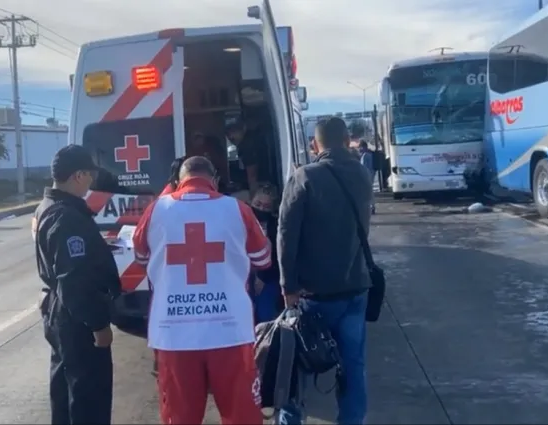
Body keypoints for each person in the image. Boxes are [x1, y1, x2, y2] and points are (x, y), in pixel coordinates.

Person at [133, 156, 270, 425]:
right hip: (229, 329)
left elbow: (141, 258)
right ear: (214, 180)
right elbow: (263, 259)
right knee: (241, 416)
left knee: (180, 418)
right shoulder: (238, 209)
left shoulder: (156, 210)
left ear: (178, 181)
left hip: (174, 332)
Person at [276, 117, 373, 425]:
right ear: (347, 141)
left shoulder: (305, 177)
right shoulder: (362, 172)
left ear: (314, 145)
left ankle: (291, 421)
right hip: (355, 288)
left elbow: (286, 234)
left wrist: (287, 285)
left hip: (313, 293)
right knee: (353, 365)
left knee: (296, 364)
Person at [33, 145, 122, 425]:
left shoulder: (49, 206)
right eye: (91, 175)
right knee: (88, 399)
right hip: (77, 322)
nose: (92, 182)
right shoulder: (67, 217)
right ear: (79, 175)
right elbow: (75, 279)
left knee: (65, 393)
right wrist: (98, 326)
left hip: (60, 313)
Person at [249, 183, 282, 323]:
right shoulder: (242, 220)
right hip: (245, 276)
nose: (261, 209)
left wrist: (262, 277)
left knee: (265, 317)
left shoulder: (277, 227)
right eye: (258, 204)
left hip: (269, 278)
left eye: (266, 207)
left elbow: (277, 255)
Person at [226, 116, 269, 196]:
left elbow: (252, 175)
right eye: (228, 134)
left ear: (243, 129)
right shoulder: (252, 140)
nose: (231, 137)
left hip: (262, 184)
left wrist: (253, 196)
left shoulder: (247, 145)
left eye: (234, 132)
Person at [358, 141, 376, 215]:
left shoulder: (365, 155)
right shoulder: (370, 154)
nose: (359, 149)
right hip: (371, 175)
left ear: (364, 147)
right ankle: (372, 207)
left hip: (367, 176)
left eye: (360, 147)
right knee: (370, 192)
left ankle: (370, 207)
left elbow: (363, 167)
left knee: (366, 193)